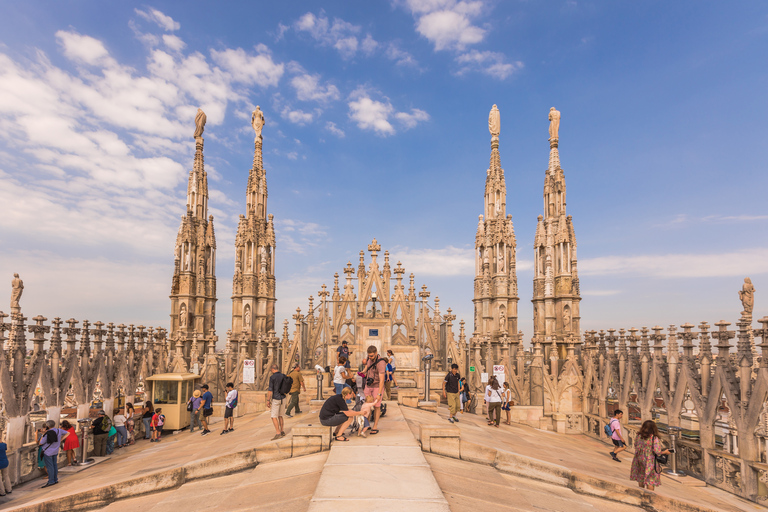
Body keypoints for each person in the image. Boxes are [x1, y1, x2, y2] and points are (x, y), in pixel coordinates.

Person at [630, 420, 671, 491]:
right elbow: (657, 451)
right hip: (650, 461)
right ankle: (649, 496)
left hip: (639, 459)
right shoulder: (653, 438)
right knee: (650, 480)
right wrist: (665, 452)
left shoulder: (639, 436)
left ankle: (641, 493)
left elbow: (636, 445)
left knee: (641, 477)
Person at [363, 345, 387, 434]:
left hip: (377, 386)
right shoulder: (369, 358)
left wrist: (379, 394)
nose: (370, 357)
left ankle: (375, 426)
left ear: (376, 353)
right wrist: (363, 372)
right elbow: (367, 367)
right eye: (369, 355)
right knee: (367, 405)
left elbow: (381, 380)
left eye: (372, 356)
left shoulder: (381, 363)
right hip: (368, 385)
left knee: (377, 406)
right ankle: (367, 424)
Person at [39, 420, 68, 488]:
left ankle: (51, 481)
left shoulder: (48, 433)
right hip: (55, 451)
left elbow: (40, 443)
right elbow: (68, 433)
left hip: (48, 452)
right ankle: (55, 479)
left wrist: (43, 434)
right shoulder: (59, 430)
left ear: (48, 426)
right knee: (54, 465)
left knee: (50, 467)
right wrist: (60, 440)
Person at [267, 364, 287, 440]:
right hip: (283, 398)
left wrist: (268, 400)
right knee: (280, 415)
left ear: (272, 369)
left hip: (276, 398)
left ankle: (278, 433)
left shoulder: (272, 377)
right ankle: (282, 431)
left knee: (273, 416)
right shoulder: (283, 376)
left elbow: (270, 390)